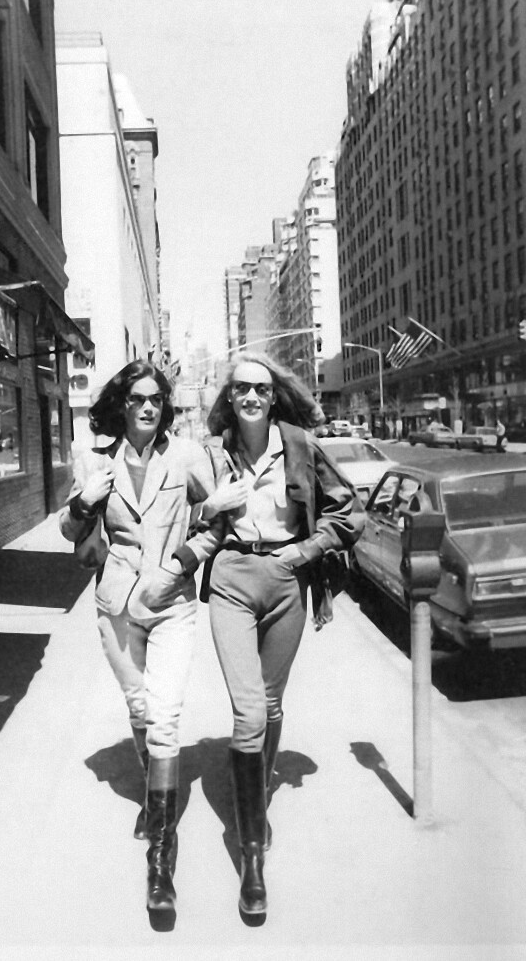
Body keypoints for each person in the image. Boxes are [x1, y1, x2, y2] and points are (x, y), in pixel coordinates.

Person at [199, 352, 364, 918]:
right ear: (230, 397)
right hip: (231, 576)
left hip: (287, 579)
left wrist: (308, 549)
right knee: (249, 712)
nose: (251, 396)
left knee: (270, 706)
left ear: (273, 398)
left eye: (261, 389)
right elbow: (182, 514)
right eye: (241, 388)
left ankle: (258, 792)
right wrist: (206, 507)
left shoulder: (299, 445)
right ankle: (251, 856)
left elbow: (349, 512)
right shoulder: (212, 452)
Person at [59, 360, 221, 916]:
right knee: (139, 707)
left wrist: (184, 561)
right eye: (137, 399)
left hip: (172, 600)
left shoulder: (186, 456)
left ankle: (160, 858)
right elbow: (70, 530)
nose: (148, 407)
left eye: (156, 399)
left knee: (166, 715)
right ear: (121, 406)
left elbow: (218, 518)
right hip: (116, 604)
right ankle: (156, 799)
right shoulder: (96, 461)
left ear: (165, 406)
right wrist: (85, 500)